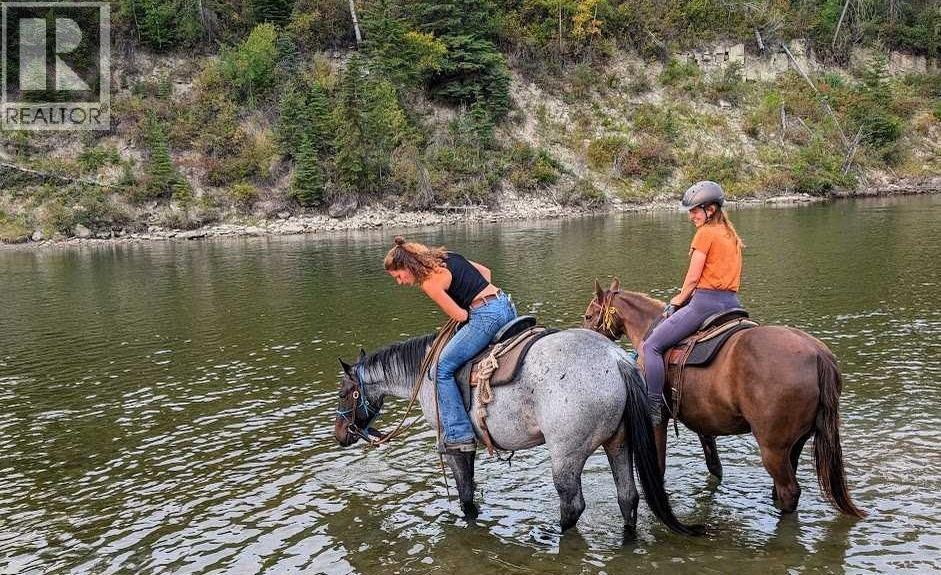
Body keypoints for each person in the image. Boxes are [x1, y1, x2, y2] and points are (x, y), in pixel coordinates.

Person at [384, 236, 517, 453]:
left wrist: (466, 306)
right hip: (505, 304)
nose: (400, 282)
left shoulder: (429, 283)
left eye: (398, 276)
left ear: (407, 266)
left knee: (440, 369)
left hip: (486, 317)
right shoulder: (448, 257)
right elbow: (486, 273)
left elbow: (462, 315)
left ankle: (457, 432)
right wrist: (470, 293)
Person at [642, 181, 745, 425]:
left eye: (695, 210)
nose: (691, 216)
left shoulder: (705, 234)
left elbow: (692, 280)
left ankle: (653, 406)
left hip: (705, 305)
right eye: (690, 211)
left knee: (651, 346)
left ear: (710, 209)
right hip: (733, 304)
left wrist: (676, 302)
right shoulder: (732, 235)